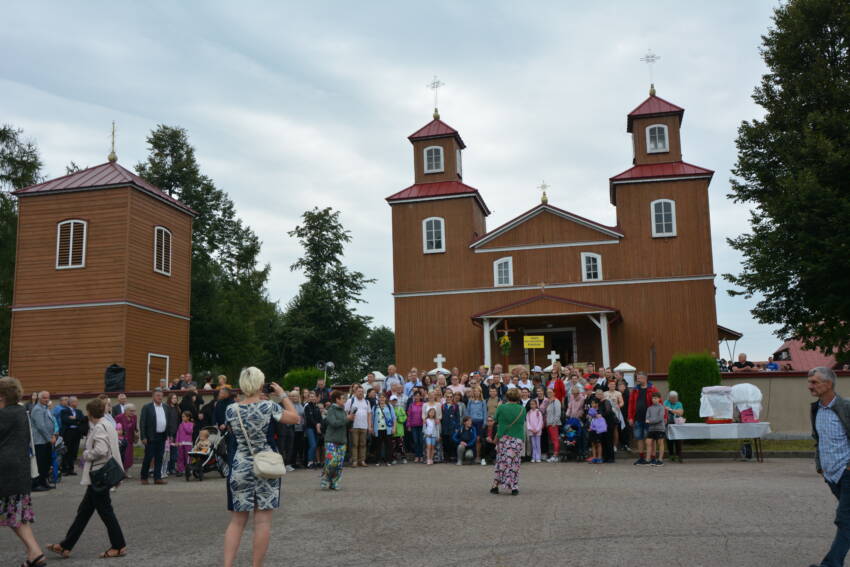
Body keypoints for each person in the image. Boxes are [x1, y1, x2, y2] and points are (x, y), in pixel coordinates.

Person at [222, 367, 299, 567]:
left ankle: (227, 565)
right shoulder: (268, 407)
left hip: (240, 464)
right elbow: (294, 418)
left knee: (237, 521)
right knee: (263, 521)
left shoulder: (231, 409)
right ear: (260, 384)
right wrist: (282, 395)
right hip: (265, 464)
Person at [48, 397, 127, 560]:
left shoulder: (99, 427)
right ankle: (65, 546)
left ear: (90, 412)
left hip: (98, 475)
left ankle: (119, 546)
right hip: (101, 476)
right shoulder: (108, 424)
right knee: (84, 513)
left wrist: (86, 454)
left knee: (105, 512)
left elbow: (101, 450)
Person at [0, 377, 47, 567]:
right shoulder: (21, 411)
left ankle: (35, 553)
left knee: (13, 514)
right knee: (15, 515)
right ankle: (35, 553)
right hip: (19, 470)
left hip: (4, 471)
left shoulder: (4, 415)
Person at [808, 366, 850, 567]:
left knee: (845, 520)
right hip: (832, 475)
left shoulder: (846, 408)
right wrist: (820, 466)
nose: (810, 386)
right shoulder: (816, 409)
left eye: (814, 382)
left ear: (828, 384)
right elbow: (818, 439)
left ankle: (831, 564)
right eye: (809, 382)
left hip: (847, 472)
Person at [490, 388, 526, 495]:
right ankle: (514, 487)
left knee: (501, 461)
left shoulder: (501, 407)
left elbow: (495, 419)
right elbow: (521, 422)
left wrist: (500, 406)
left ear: (507, 397)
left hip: (504, 438)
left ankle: (495, 485)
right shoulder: (522, 409)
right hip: (517, 439)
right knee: (514, 463)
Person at [321, 390, 352, 490]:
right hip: (331, 440)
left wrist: (351, 419)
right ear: (337, 399)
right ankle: (325, 480)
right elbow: (334, 423)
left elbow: (345, 425)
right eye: (343, 398)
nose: (344, 400)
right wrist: (347, 419)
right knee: (331, 462)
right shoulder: (331, 410)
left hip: (342, 440)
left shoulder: (343, 410)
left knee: (339, 464)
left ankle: (335, 483)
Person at [627, 372, 659, 466]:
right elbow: (631, 404)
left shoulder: (652, 389)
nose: (638, 380)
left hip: (649, 419)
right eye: (637, 378)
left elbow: (658, 402)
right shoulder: (635, 390)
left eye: (639, 378)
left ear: (645, 379)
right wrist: (630, 417)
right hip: (637, 418)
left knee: (650, 439)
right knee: (639, 438)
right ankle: (641, 458)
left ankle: (653, 458)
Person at [139, 389, 170, 485]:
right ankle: (144, 477)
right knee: (148, 457)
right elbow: (142, 423)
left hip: (162, 436)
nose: (160, 397)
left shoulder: (165, 407)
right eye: (157, 395)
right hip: (151, 437)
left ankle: (158, 478)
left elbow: (167, 421)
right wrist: (143, 436)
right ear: (153, 396)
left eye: (161, 395)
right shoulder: (147, 407)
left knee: (159, 457)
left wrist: (169, 434)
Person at [29, 391, 55, 491]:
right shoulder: (37, 409)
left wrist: (53, 435)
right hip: (40, 441)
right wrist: (49, 438)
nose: (46, 399)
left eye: (48, 397)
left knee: (46, 463)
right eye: (44, 398)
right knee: (40, 463)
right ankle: (36, 484)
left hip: (47, 440)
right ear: (39, 398)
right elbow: (41, 426)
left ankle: (44, 482)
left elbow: (50, 422)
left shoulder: (45, 408)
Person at [344, 385, 371, 467]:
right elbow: (345, 412)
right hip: (354, 426)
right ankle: (354, 461)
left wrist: (369, 426)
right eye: (359, 391)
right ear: (355, 392)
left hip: (364, 426)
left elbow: (369, 414)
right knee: (354, 444)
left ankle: (362, 461)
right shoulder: (350, 401)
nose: (361, 393)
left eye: (362, 391)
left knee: (363, 444)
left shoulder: (367, 402)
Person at [59, 396, 84, 476]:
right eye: (76, 402)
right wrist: (77, 420)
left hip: (76, 432)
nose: (77, 403)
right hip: (68, 433)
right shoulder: (64, 411)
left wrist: (74, 418)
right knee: (67, 450)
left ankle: (71, 468)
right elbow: (66, 420)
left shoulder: (79, 411)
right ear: (71, 402)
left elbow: (82, 420)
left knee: (74, 451)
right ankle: (65, 469)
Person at [371, 393, 394, 466]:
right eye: (380, 397)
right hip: (378, 429)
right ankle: (378, 460)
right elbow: (372, 419)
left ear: (385, 398)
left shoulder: (389, 406)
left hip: (388, 429)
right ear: (378, 399)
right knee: (378, 446)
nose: (381, 399)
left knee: (388, 445)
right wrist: (372, 428)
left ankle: (388, 460)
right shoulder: (375, 407)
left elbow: (394, 418)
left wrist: (394, 428)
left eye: (383, 397)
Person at [114, 404, 137, 476]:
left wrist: (136, 434)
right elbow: (116, 428)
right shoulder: (119, 417)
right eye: (131, 411)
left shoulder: (134, 417)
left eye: (134, 411)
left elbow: (135, 428)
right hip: (122, 440)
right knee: (123, 456)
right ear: (126, 410)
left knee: (129, 457)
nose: (133, 412)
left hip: (130, 439)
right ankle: (120, 472)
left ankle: (126, 472)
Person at [645, 393, 666, 466]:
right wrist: (650, 420)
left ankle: (660, 460)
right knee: (648, 442)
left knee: (660, 443)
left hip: (660, 428)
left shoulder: (661, 407)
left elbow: (660, 418)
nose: (654, 400)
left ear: (659, 399)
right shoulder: (649, 408)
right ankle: (648, 460)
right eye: (653, 398)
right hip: (651, 429)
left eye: (656, 398)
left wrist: (651, 421)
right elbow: (647, 418)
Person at [303, 391, 322, 469]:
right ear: (308, 398)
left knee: (315, 445)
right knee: (313, 445)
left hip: (317, 429)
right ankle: (310, 462)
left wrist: (320, 425)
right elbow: (309, 419)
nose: (312, 398)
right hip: (309, 428)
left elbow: (320, 418)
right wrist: (316, 425)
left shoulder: (317, 407)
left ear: (316, 397)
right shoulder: (307, 407)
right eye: (310, 396)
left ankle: (313, 461)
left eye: (313, 396)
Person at [664, 391, 685, 461]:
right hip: (668, 424)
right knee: (669, 439)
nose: (674, 399)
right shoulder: (666, 402)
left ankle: (679, 455)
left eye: (675, 398)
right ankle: (671, 454)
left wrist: (670, 410)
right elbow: (664, 410)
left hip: (677, 425)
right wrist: (675, 411)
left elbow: (681, 413)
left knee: (678, 440)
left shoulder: (679, 403)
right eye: (672, 398)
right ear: (669, 398)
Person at [407, 390, 424, 463]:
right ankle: (417, 456)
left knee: (421, 441)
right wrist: (408, 425)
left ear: (420, 396)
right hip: (413, 426)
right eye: (415, 396)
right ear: (413, 397)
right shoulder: (411, 405)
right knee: (416, 441)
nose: (417, 397)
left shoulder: (423, 404)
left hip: (422, 425)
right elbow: (409, 415)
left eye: (418, 396)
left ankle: (421, 456)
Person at [545, 388, 562, 463]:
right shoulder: (549, 402)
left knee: (555, 440)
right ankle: (555, 455)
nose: (549, 393)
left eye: (550, 392)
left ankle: (556, 456)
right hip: (549, 424)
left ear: (554, 393)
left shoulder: (556, 401)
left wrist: (554, 423)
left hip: (553, 424)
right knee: (553, 440)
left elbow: (558, 414)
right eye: (548, 392)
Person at [389, 395, 407, 464]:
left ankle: (403, 458)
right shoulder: (389, 408)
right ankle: (394, 458)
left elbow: (405, 416)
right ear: (390, 401)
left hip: (399, 430)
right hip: (392, 430)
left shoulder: (400, 408)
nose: (394, 402)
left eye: (395, 400)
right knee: (393, 446)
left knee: (401, 445)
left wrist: (399, 419)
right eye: (393, 400)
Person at [525, 399, 543, 463]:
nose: (532, 405)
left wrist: (537, 429)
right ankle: (533, 457)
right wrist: (531, 429)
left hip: (538, 431)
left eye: (533, 404)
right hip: (531, 431)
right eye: (531, 404)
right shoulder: (528, 413)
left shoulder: (538, 412)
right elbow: (528, 422)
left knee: (538, 444)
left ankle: (538, 457)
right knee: (533, 445)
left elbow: (540, 421)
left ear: (536, 405)